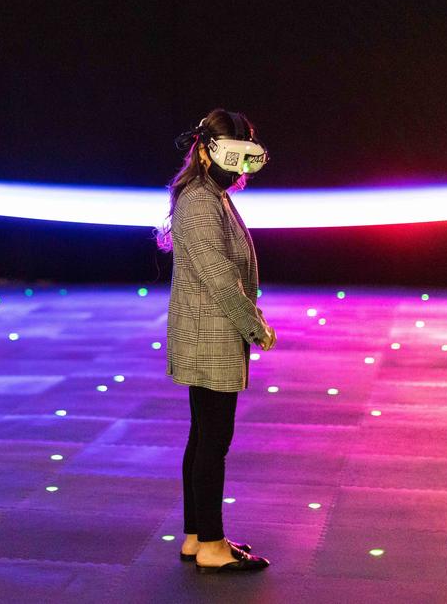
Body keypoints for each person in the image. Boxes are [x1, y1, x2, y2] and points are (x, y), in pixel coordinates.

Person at [159, 108, 277, 573]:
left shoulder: (209, 194)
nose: (240, 169)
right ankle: (211, 543)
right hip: (211, 334)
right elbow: (220, 277)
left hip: (208, 331)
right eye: (234, 156)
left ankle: (197, 535)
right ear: (206, 151)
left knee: (203, 436)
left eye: (247, 159)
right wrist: (256, 326)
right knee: (214, 440)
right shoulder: (201, 200)